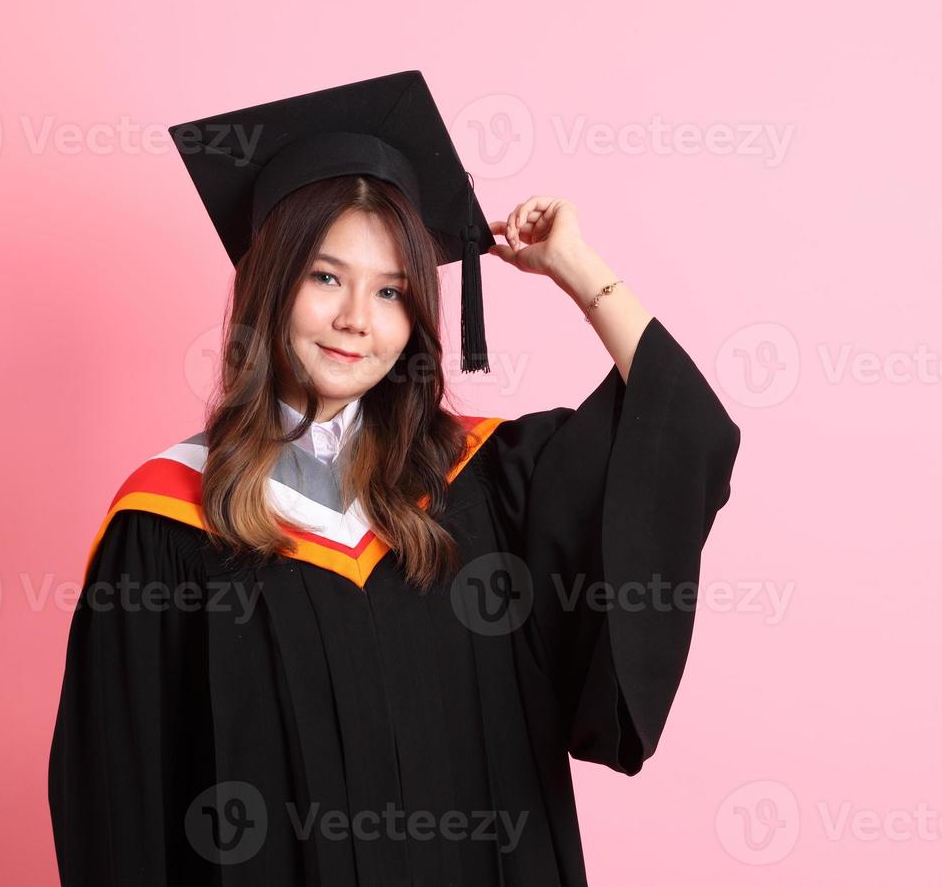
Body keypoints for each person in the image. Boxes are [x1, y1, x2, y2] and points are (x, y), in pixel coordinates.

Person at [46, 70, 742, 886]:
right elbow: (120, 813)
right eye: (325, 277)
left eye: (392, 292)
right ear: (269, 287)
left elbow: (680, 431)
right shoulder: (164, 527)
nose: (356, 321)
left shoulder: (486, 488)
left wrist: (578, 270)